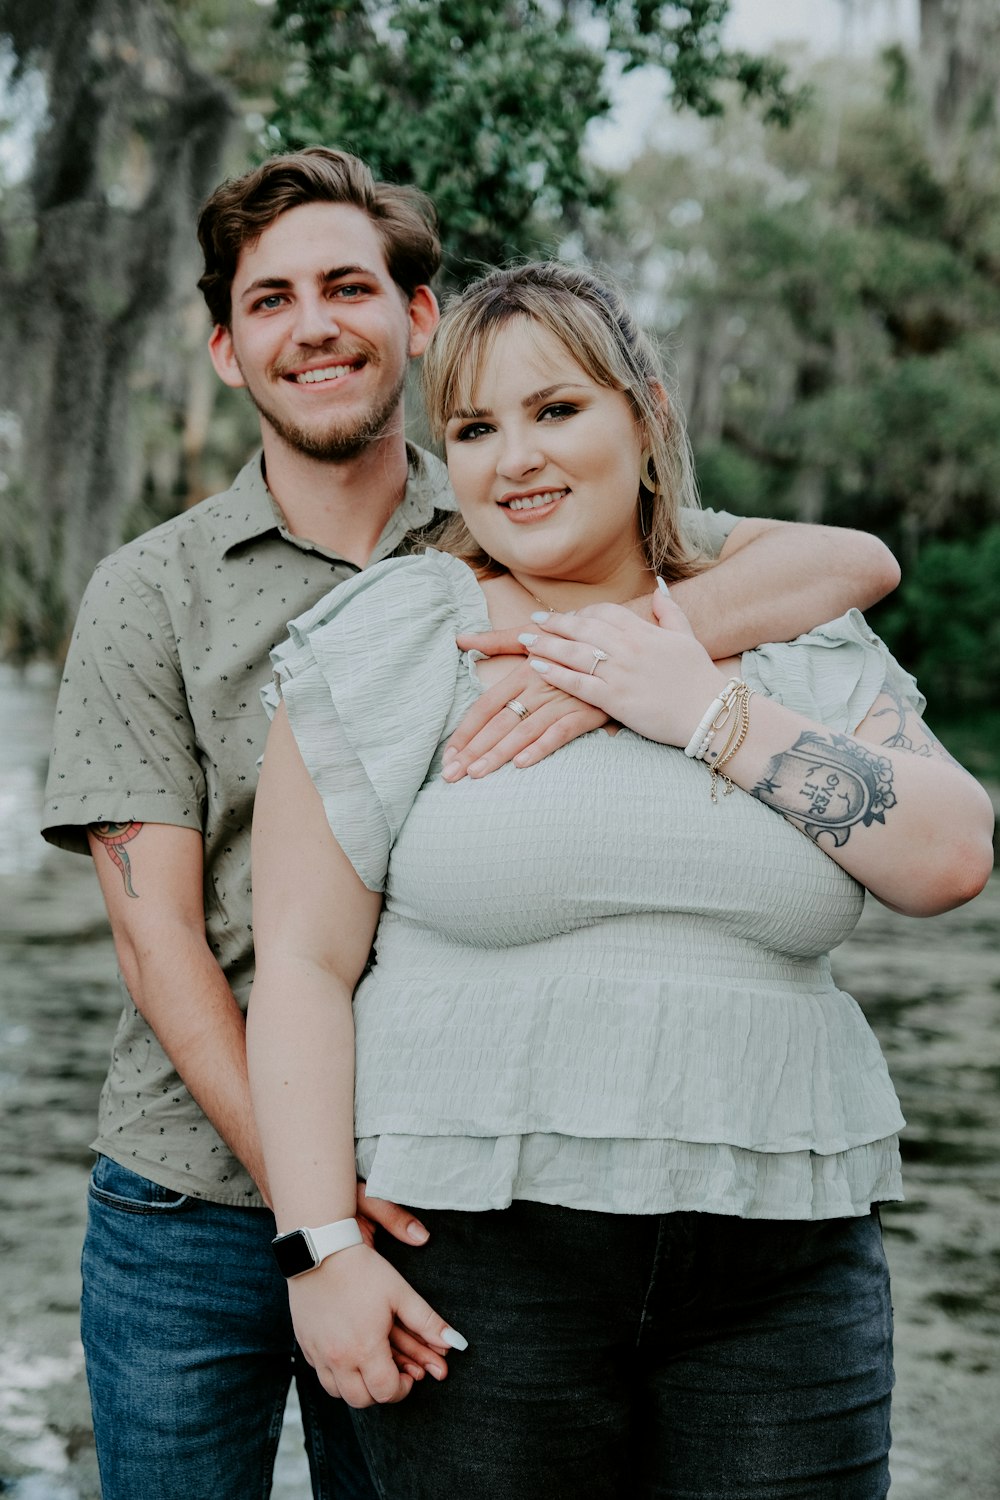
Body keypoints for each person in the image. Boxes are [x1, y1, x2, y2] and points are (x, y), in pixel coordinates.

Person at [42, 146, 900, 1500]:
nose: (313, 324)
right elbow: (163, 951)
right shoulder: (151, 591)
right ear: (223, 349)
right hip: (199, 1190)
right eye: (269, 302)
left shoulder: (526, 513)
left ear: (418, 317)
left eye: (347, 286)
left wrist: (614, 660)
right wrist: (320, 1221)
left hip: (453, 1174)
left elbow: (847, 563)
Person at [247, 261, 995, 1500]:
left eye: (556, 411)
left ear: (645, 418)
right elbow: (305, 967)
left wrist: (696, 703)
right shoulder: (396, 640)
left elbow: (949, 855)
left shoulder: (793, 635)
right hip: (479, 1261)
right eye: (474, 430)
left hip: (781, 1267)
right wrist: (320, 1252)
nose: (514, 459)